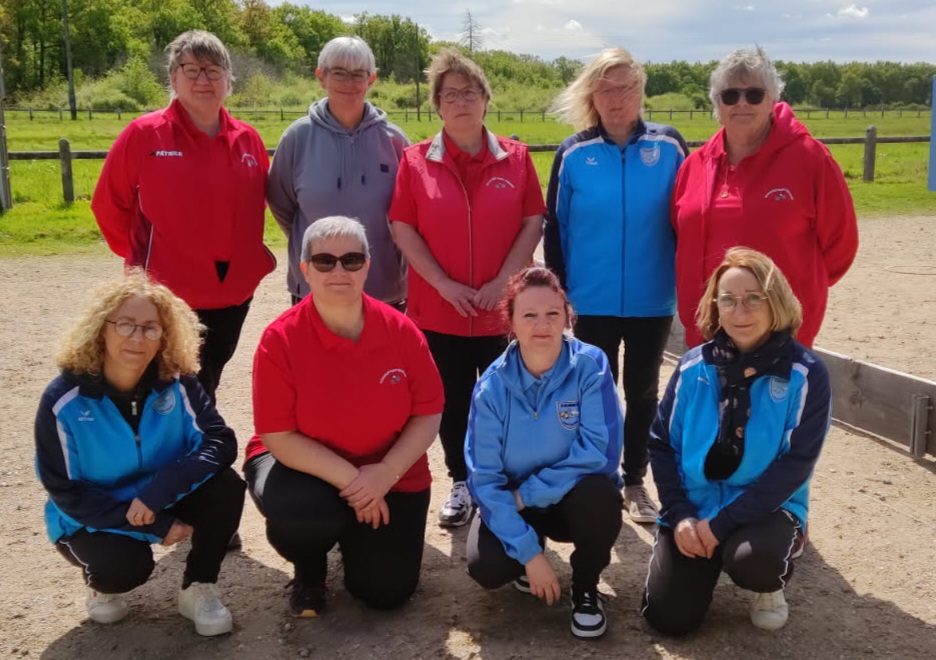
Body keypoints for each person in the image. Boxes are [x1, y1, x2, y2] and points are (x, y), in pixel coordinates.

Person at [246, 216, 444, 617]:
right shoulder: (280, 338)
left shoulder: (402, 331)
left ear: (367, 266)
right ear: (304, 269)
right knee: (304, 515)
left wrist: (384, 473)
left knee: (385, 591)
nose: (339, 270)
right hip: (305, 470)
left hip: (390, 472)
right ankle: (310, 567)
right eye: (324, 261)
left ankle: (353, 535)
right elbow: (279, 435)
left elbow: (428, 413)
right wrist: (357, 483)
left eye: (352, 260)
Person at [34, 271, 245, 636]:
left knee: (226, 486)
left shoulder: (177, 381)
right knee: (124, 570)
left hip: (159, 495)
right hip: (94, 513)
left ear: (165, 335)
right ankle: (103, 587)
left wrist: (161, 489)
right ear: (103, 329)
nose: (138, 337)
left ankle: (198, 587)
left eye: (151, 328)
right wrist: (158, 525)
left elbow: (220, 441)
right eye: (126, 325)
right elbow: (64, 490)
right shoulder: (63, 399)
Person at [390, 49, 545, 528]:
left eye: (470, 92)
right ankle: (460, 482)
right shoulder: (415, 160)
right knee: (452, 400)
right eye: (450, 94)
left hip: (506, 310)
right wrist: (442, 284)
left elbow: (532, 220)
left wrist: (504, 283)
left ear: (485, 100)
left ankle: (503, 483)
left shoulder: (516, 158)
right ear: (437, 104)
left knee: (511, 399)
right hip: (441, 309)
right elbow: (402, 226)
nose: (461, 102)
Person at [642, 247, 831, 635]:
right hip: (695, 505)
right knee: (669, 620)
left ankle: (771, 577)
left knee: (753, 562)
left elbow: (794, 465)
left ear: (774, 300)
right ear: (715, 305)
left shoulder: (805, 373)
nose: (739, 311)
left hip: (764, 507)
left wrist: (721, 525)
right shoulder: (693, 366)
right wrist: (680, 516)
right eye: (727, 299)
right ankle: (698, 561)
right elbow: (661, 443)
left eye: (752, 299)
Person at [544, 47, 688, 524]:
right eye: (607, 88)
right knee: (594, 391)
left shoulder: (669, 147)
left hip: (652, 298)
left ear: (641, 90)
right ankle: (598, 477)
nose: (618, 97)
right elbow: (556, 229)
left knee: (643, 391)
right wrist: (560, 294)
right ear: (593, 95)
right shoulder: (573, 153)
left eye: (627, 86)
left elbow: (688, 220)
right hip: (592, 298)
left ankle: (634, 481)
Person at [92, 30, 275, 402]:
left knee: (208, 377)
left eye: (213, 70)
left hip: (234, 293)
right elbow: (109, 205)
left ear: (228, 79)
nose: (202, 80)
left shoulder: (249, 139)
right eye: (191, 69)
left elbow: (257, 209)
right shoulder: (144, 135)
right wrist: (145, 264)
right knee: (167, 383)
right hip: (167, 294)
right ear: (173, 77)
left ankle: (199, 448)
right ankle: (184, 452)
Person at [464, 267, 624, 639]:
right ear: (512, 323)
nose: (542, 325)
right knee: (486, 568)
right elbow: (484, 479)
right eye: (529, 315)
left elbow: (600, 454)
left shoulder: (591, 365)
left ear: (567, 316)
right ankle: (527, 554)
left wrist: (528, 495)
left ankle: (585, 588)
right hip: (517, 502)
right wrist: (530, 555)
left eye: (553, 314)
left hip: (569, 499)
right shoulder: (491, 387)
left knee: (601, 495)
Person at [672, 45, 858, 350]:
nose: (742, 103)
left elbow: (840, 246)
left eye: (754, 94)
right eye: (730, 95)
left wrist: (795, 293)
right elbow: (681, 234)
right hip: (708, 330)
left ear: (772, 99)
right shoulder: (695, 165)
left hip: (780, 332)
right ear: (716, 104)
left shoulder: (810, 158)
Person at [267, 36, 410, 308]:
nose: (349, 82)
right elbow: (282, 205)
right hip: (314, 285)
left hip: (382, 286)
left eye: (358, 74)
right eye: (339, 73)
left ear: (372, 80)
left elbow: (409, 211)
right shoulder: (298, 137)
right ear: (321, 77)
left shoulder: (394, 140)